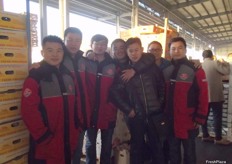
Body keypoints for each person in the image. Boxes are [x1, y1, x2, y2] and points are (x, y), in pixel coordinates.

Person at [21, 35, 78, 164]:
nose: (55, 54)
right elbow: (28, 111)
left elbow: (75, 104)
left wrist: (76, 127)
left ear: (63, 52)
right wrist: (43, 136)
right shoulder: (35, 76)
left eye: (59, 50)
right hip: (46, 142)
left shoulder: (68, 75)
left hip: (67, 138)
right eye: (50, 50)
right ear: (42, 52)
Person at [110, 37, 166, 164]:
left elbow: (161, 86)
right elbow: (114, 92)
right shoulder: (124, 71)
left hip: (154, 115)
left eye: (136, 50)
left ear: (141, 50)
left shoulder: (151, 67)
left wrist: (160, 104)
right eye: (130, 51)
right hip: (136, 117)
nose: (134, 53)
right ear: (127, 52)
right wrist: (128, 109)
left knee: (157, 146)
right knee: (136, 147)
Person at [162, 37, 209, 164]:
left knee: (189, 152)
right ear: (169, 51)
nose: (176, 51)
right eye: (173, 49)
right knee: (173, 152)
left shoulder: (196, 70)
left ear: (185, 50)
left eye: (180, 48)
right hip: (170, 119)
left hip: (188, 119)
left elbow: (204, 95)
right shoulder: (166, 70)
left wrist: (200, 117)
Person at [84, 34, 117, 164]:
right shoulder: (86, 62)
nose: (100, 46)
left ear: (106, 46)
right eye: (97, 43)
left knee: (107, 144)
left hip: (108, 111)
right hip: (91, 111)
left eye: (103, 44)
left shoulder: (113, 65)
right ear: (91, 45)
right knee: (90, 143)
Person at [201, 49, 231, 145]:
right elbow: (227, 71)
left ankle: (205, 135)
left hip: (204, 96)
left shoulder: (200, 65)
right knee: (217, 117)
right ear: (212, 56)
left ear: (203, 57)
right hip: (215, 95)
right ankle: (218, 138)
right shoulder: (214, 63)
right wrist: (225, 62)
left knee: (204, 117)